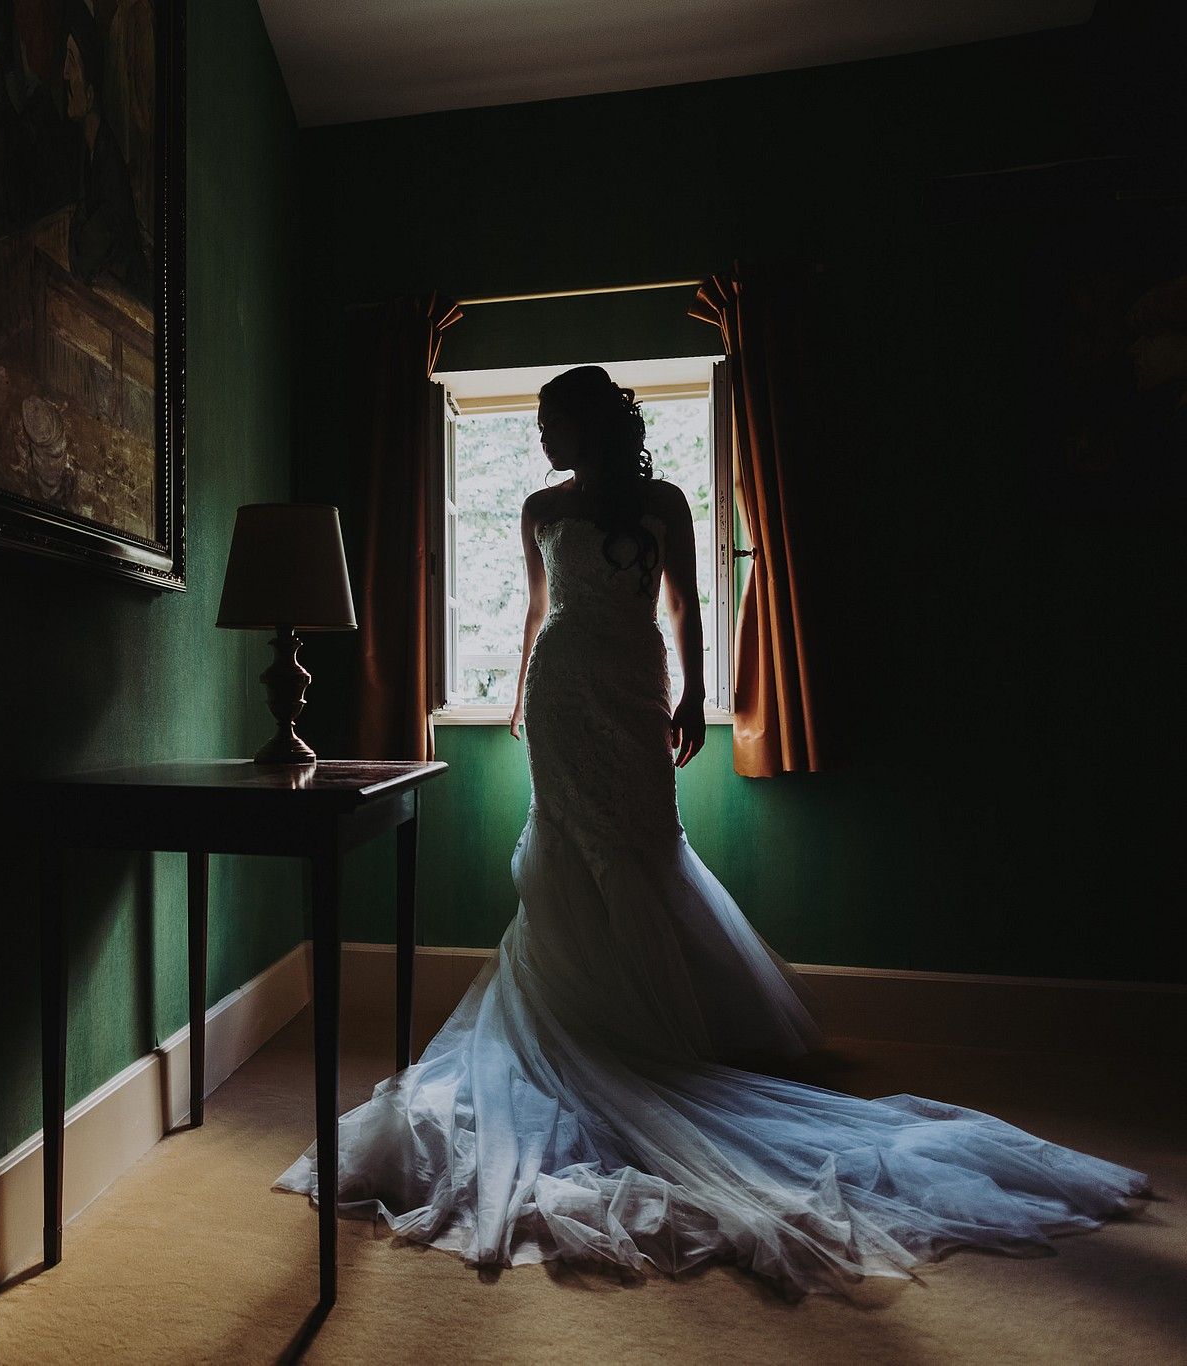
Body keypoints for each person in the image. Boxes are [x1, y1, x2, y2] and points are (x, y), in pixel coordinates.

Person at [274, 365, 1148, 1297]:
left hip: (636, 681)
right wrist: (524, 692)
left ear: (593, 424)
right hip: (567, 689)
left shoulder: (662, 499)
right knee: (569, 849)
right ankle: (594, 1021)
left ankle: (660, 1028)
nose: (541, 438)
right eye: (537, 423)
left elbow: (685, 603)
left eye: (553, 420)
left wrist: (695, 691)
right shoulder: (536, 506)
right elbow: (537, 611)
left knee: (644, 847)